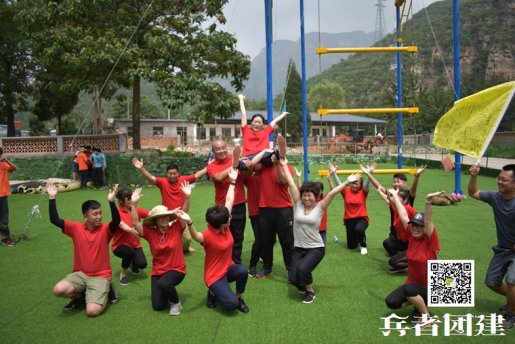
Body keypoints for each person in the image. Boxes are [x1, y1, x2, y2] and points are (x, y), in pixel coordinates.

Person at [46, 181, 121, 317]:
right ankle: (80, 297)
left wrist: (111, 202)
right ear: (85, 216)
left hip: (100, 276)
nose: (99, 217)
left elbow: (116, 222)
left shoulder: (105, 229)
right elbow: (54, 219)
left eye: (100, 213)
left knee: (92, 311)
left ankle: (107, 288)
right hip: (80, 275)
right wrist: (52, 198)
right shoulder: (75, 228)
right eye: (95, 214)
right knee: (58, 290)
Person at [282, 159, 351, 303]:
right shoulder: (299, 204)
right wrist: (283, 164)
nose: (307, 198)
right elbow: (291, 184)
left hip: (315, 248)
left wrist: (346, 182)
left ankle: (310, 291)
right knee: (293, 278)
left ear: (316, 197)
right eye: (305, 195)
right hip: (299, 248)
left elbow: (332, 194)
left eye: (310, 195)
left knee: (303, 270)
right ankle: (302, 284)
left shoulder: (320, 207)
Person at [185, 167, 250, 313]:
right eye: (228, 219)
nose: (230, 218)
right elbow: (196, 237)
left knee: (242, 271)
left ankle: (238, 297)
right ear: (221, 224)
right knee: (230, 306)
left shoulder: (224, 225)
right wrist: (189, 222)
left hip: (228, 268)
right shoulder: (208, 235)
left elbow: (229, 200)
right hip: (214, 275)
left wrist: (232, 181)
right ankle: (213, 293)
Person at [130, 184, 191, 316]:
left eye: (166, 216)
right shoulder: (150, 233)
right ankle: (168, 290)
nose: (165, 218)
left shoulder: (175, 228)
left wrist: (187, 197)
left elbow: (184, 212)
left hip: (177, 269)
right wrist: (134, 205)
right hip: (158, 272)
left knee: (164, 283)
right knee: (158, 306)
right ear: (155, 220)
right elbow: (135, 223)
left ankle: (176, 302)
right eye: (161, 217)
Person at [468, 164, 515, 331]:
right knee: (492, 282)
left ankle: (510, 312)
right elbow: (473, 192)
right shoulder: (496, 197)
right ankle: (513, 301)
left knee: (511, 281)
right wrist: (474, 176)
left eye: (504, 179)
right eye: (499, 178)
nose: (499, 182)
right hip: (503, 249)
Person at [385, 188, 441, 324]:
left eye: (419, 226)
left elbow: (428, 222)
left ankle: (427, 317)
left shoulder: (430, 241)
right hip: (413, 285)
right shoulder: (412, 236)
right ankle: (418, 303)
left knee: (408, 289)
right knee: (391, 302)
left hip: (431, 287)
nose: (415, 228)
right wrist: (395, 196)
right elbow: (403, 215)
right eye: (414, 225)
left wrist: (428, 201)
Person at [132, 159, 207, 253]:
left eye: (174, 173)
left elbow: (197, 175)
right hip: (166, 215)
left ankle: (185, 248)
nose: (172, 175)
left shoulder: (184, 180)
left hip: (180, 214)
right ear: (166, 174)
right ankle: (168, 249)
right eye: (170, 173)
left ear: (178, 173)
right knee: (166, 236)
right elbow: (151, 178)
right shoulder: (162, 182)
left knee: (187, 239)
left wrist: (208, 167)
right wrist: (142, 168)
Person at [360, 164, 417, 272]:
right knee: (388, 244)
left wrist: (417, 177)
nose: (396, 183)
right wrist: (368, 174)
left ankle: (409, 258)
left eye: (398, 181)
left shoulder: (408, 200)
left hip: (410, 236)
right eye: (394, 181)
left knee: (397, 258)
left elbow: (413, 190)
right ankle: (403, 259)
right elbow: (380, 187)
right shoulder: (393, 200)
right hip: (398, 234)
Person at [207, 139, 247, 264]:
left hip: (239, 204)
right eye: (218, 149)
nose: (221, 151)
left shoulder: (234, 157)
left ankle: (236, 263)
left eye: (223, 147)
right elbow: (218, 178)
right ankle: (223, 262)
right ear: (213, 152)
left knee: (238, 236)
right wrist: (235, 164)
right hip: (222, 207)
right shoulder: (211, 165)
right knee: (221, 235)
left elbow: (250, 166)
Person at [255, 147, 294, 279]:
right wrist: (264, 151)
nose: (276, 154)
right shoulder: (264, 167)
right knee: (266, 241)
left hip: (283, 210)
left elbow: (282, 181)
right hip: (265, 209)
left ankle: (291, 270)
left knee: (287, 242)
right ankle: (267, 268)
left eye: (279, 152)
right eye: (275, 151)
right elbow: (252, 164)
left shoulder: (287, 168)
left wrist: (277, 164)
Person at [328, 163, 371, 255]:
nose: (355, 185)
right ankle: (358, 238)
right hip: (349, 220)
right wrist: (334, 173)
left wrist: (369, 174)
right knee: (351, 246)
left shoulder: (363, 192)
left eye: (357, 183)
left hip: (362, 219)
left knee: (359, 229)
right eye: (353, 183)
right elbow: (339, 184)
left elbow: (367, 184)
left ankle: (363, 246)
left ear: (360, 185)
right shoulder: (346, 191)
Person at [237, 94, 289, 170]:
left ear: (263, 124)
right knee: (244, 164)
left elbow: (274, 121)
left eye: (259, 122)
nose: (257, 124)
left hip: (264, 156)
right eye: (255, 122)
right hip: (249, 156)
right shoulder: (246, 130)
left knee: (272, 157)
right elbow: (244, 114)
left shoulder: (266, 131)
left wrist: (283, 115)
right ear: (251, 123)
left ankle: (279, 152)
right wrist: (241, 99)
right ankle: (238, 163)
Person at [112, 188, 149, 286]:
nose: (130, 200)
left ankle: (132, 264)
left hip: (135, 245)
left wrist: (166, 213)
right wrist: (130, 230)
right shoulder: (117, 212)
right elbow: (120, 224)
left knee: (142, 264)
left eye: (131, 197)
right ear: (120, 200)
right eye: (128, 198)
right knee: (129, 252)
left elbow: (151, 214)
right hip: (119, 246)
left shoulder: (136, 210)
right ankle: (122, 274)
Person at [0, 147, 17, 247]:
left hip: (3, 195)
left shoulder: (4, 164)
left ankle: (6, 238)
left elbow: (14, 168)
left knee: (4, 219)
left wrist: (7, 161)